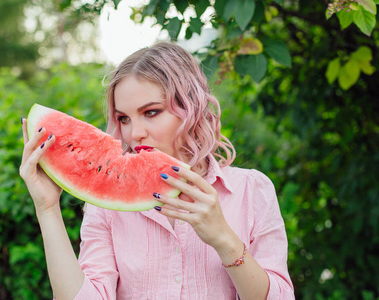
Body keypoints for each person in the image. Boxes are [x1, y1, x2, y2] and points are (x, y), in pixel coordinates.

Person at [19, 42, 295, 300]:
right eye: (123, 119)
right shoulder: (108, 207)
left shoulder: (251, 190)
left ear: (190, 108)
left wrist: (224, 240)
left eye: (151, 112)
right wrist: (47, 208)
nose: (134, 133)